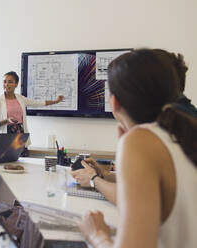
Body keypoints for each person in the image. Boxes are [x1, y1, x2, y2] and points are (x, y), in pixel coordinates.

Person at [76, 49, 197, 248]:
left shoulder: (140, 141)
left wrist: (97, 235)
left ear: (114, 102)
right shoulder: (183, 131)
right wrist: (110, 172)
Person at [0, 71, 63, 155]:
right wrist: (6, 120)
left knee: (21, 164)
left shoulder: (21, 99)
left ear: (16, 84)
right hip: (6, 138)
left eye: (10, 82)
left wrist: (56, 101)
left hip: (20, 137)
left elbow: (37, 103)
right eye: (4, 82)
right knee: (6, 165)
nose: (6, 84)